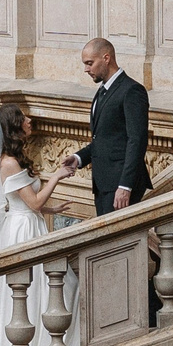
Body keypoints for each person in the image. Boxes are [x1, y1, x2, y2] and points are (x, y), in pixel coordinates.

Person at [0, 101, 72, 346]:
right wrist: (57, 176)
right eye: (22, 117)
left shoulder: (13, 160)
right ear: (13, 126)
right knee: (39, 287)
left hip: (28, 223)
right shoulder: (8, 163)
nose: (29, 120)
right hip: (23, 230)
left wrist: (53, 208)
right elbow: (34, 203)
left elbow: (27, 203)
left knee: (50, 287)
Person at [61, 37, 150, 215]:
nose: (86, 69)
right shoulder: (102, 91)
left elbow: (137, 140)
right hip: (102, 185)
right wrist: (78, 158)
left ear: (106, 58)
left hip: (120, 187)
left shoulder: (131, 90)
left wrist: (125, 185)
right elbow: (104, 139)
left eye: (90, 63)